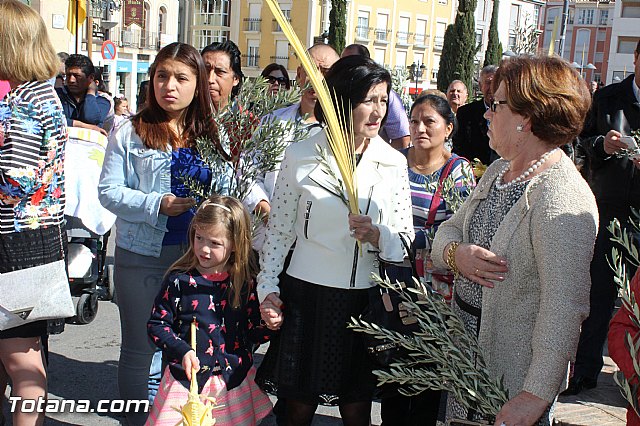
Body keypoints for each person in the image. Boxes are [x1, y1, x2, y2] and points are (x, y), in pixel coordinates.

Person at [432, 55, 598, 426]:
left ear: (527, 118)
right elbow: (447, 232)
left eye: (497, 104)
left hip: (511, 384)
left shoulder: (562, 196)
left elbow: (565, 307)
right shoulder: (498, 171)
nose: (487, 113)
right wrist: (457, 255)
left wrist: (535, 395)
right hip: (467, 364)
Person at [258, 55, 414, 426]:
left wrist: (378, 235)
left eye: (383, 100)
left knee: (357, 409)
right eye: (368, 100)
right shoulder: (300, 154)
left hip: (363, 298)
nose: (377, 112)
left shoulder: (393, 163)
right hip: (306, 294)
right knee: (296, 407)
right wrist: (267, 287)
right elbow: (279, 230)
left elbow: (405, 240)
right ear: (343, 100)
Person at [98, 42, 220, 426]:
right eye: (162, 76)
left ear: (197, 83)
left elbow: (234, 184)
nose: (169, 85)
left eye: (181, 78)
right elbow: (109, 191)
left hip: (198, 263)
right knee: (141, 349)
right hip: (142, 257)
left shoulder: (214, 135)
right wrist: (156, 204)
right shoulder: (130, 131)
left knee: (194, 350)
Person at [381, 94, 475, 426]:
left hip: (434, 292)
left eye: (430, 122)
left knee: (427, 379)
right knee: (392, 377)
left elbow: (459, 232)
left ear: (448, 128)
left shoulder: (458, 171)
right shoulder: (392, 161)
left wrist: (404, 238)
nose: (420, 128)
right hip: (390, 285)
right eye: (415, 120)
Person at [146, 195, 273, 425]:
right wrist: (182, 350)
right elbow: (157, 325)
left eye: (215, 243)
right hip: (186, 382)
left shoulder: (244, 284)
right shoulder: (179, 281)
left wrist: (270, 324)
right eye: (199, 237)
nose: (203, 248)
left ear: (235, 244)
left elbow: (253, 333)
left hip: (230, 384)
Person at [0, 1, 67, 424]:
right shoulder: (39, 93)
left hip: (19, 244)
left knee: (21, 360)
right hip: (30, 240)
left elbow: (15, 181)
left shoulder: (26, 99)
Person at [566, 39, 640, 396]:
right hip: (609, 209)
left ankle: (632, 370)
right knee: (598, 293)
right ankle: (585, 370)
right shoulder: (609, 97)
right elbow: (580, 143)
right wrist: (603, 146)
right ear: (636, 60)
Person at [248, 44, 339, 249]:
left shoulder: (344, 134)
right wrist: (266, 211)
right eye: (310, 70)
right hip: (268, 240)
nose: (316, 79)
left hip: (317, 248)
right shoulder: (271, 122)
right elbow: (248, 172)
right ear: (299, 75)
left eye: (325, 72)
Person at [341, 43, 411, 149]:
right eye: (342, 62)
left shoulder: (386, 94)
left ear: (366, 62)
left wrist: (381, 160)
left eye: (382, 102)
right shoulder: (336, 92)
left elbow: (402, 138)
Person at [452, 65, 499, 166]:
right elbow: (458, 146)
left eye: (496, 83)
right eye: (488, 82)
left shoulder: (512, 113)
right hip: (472, 173)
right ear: (480, 85)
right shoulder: (465, 113)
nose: (492, 87)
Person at [55, 54, 110, 135]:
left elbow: (91, 118)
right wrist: (83, 126)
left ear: (91, 78)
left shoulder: (102, 102)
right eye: (68, 75)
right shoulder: (57, 96)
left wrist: (91, 92)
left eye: (77, 76)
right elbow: (54, 120)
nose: (71, 80)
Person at [201, 40, 243, 112]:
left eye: (220, 72)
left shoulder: (248, 121)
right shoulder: (182, 118)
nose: (210, 79)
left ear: (235, 79)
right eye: (205, 71)